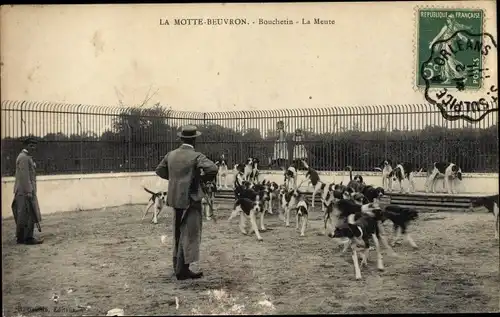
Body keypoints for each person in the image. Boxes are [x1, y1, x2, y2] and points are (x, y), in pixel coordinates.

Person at [155, 125, 218, 280]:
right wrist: (199, 178)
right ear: (194, 139)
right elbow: (213, 168)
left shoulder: (171, 154)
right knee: (189, 233)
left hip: (175, 198)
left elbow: (159, 170)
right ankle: (183, 270)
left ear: (181, 138)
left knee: (177, 232)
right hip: (191, 199)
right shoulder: (196, 156)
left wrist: (176, 181)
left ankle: (177, 267)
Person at [13, 137, 43, 245]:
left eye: (34, 145)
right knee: (28, 215)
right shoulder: (24, 158)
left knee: (24, 215)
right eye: (31, 145)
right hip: (25, 191)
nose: (33, 148)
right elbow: (25, 177)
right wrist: (29, 191)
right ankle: (28, 238)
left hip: (23, 190)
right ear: (26, 146)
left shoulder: (24, 157)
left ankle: (21, 237)